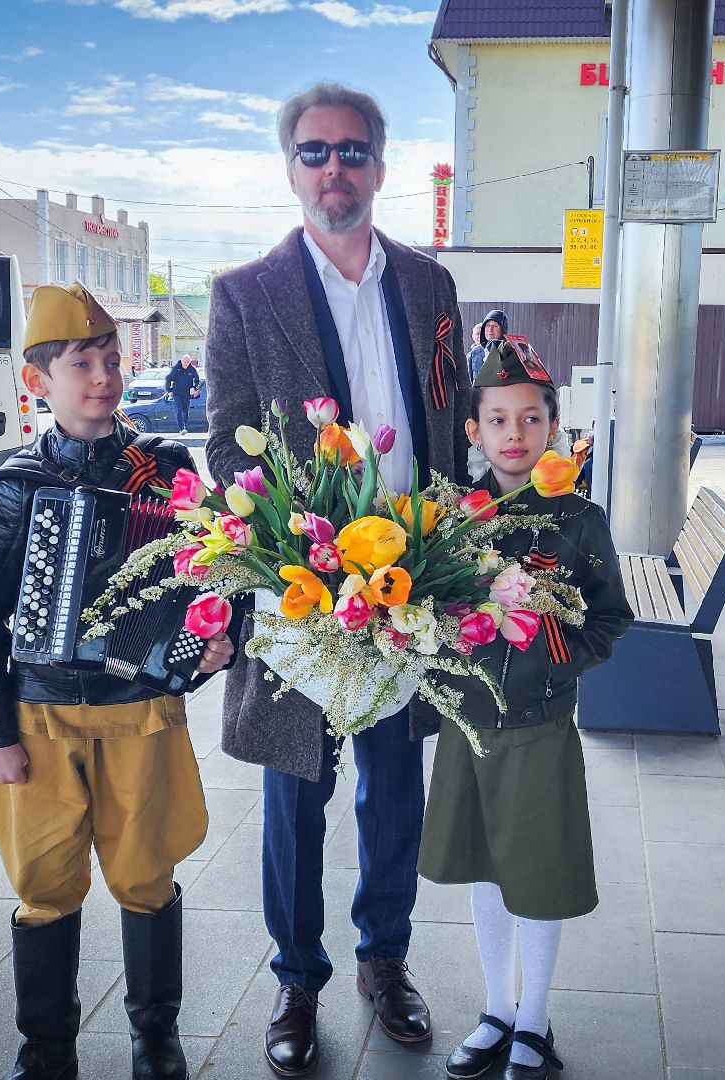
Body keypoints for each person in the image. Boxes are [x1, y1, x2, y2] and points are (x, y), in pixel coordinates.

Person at [202, 81, 471, 1078]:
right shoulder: (245, 293)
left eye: (352, 152)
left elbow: (444, 430)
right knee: (295, 798)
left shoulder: (429, 287)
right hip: (301, 593)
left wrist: (452, 550)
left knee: (395, 790)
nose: (334, 169)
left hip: (408, 585)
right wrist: (290, 546)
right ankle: (297, 976)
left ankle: (383, 958)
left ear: (380, 167)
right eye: (314, 153)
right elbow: (226, 450)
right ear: (290, 168)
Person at [0, 282, 235, 1080]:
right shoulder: (16, 488)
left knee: (147, 875)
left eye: (110, 359)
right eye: (82, 363)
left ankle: (157, 1040)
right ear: (40, 381)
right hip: (39, 722)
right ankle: (45, 1053)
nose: (103, 376)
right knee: (43, 881)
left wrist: (218, 642)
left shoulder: (168, 473)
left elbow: (219, 577)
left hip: (142, 714)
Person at [420, 340, 634, 1080]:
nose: (516, 433)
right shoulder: (453, 515)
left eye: (532, 418)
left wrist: (552, 661)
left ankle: (534, 1022)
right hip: (468, 721)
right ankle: (496, 1009)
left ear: (551, 427)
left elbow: (609, 618)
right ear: (474, 430)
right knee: (486, 867)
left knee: (536, 871)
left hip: (539, 724)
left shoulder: (579, 519)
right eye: (499, 419)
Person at [466, 308, 507, 383]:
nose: (490, 329)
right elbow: (469, 381)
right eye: (487, 325)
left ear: (503, 329)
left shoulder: (510, 351)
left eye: (495, 326)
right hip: (478, 394)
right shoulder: (475, 352)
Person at [163, 355, 199, 433]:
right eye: (185, 362)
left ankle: (184, 426)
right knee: (178, 410)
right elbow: (168, 379)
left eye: (188, 362)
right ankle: (182, 428)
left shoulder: (192, 370)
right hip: (177, 393)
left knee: (185, 411)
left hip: (187, 394)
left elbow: (197, 380)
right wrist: (169, 391)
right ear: (181, 361)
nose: (186, 364)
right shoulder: (176, 369)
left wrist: (194, 387)